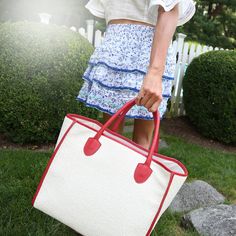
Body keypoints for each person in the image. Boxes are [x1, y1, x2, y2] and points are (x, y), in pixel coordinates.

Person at [77, 0, 196, 149]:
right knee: (110, 135)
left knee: (141, 140)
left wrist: (155, 72)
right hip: (115, 47)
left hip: (148, 51)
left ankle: (130, 172)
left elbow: (169, 8)